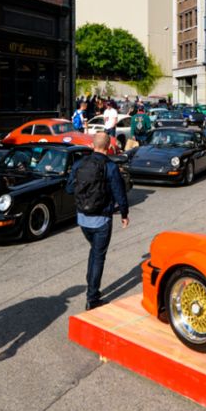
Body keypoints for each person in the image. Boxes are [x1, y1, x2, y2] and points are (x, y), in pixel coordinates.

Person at [67, 132, 130, 310]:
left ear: (92, 145)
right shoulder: (110, 166)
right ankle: (92, 298)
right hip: (101, 219)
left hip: (82, 219)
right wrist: (124, 214)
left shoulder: (80, 163)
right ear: (109, 146)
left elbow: (69, 188)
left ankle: (92, 287)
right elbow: (119, 192)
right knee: (98, 256)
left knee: (94, 252)